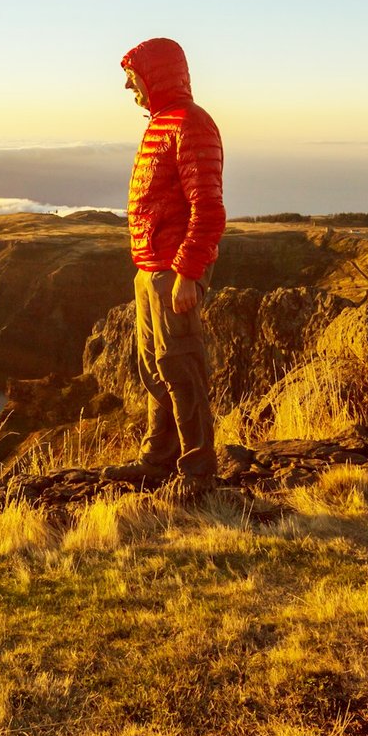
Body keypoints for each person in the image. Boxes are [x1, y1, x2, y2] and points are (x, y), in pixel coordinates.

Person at [102, 37, 226, 496]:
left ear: (155, 75)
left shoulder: (191, 124)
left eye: (133, 76)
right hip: (151, 267)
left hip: (174, 270)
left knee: (181, 366)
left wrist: (188, 273)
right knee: (154, 367)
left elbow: (208, 208)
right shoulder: (163, 123)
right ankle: (159, 460)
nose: (127, 86)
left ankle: (197, 473)